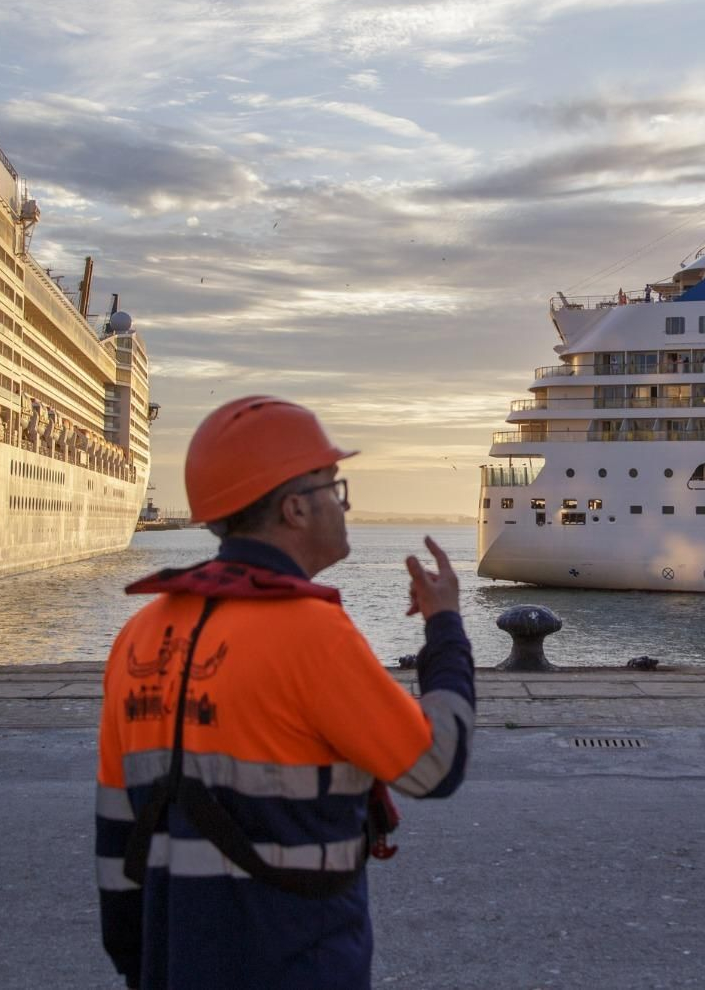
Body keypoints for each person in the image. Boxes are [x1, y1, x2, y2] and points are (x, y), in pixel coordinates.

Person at [95, 396, 475, 990]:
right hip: (299, 960)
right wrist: (445, 627)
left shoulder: (139, 636)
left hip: (170, 963)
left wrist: (139, 963)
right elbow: (437, 765)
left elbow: (117, 833)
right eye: (335, 488)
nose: (345, 506)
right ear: (296, 509)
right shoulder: (311, 633)